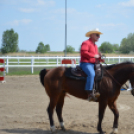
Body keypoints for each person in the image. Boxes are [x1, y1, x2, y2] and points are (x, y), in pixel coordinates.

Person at [80, 28, 103, 101]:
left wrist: (100, 58)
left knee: (103, 73)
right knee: (91, 74)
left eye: (99, 35)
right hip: (86, 63)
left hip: (94, 64)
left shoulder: (95, 46)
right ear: (92, 35)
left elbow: (96, 57)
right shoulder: (86, 43)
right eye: (97, 35)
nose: (98, 37)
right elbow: (83, 52)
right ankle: (89, 92)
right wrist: (94, 55)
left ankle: (98, 90)